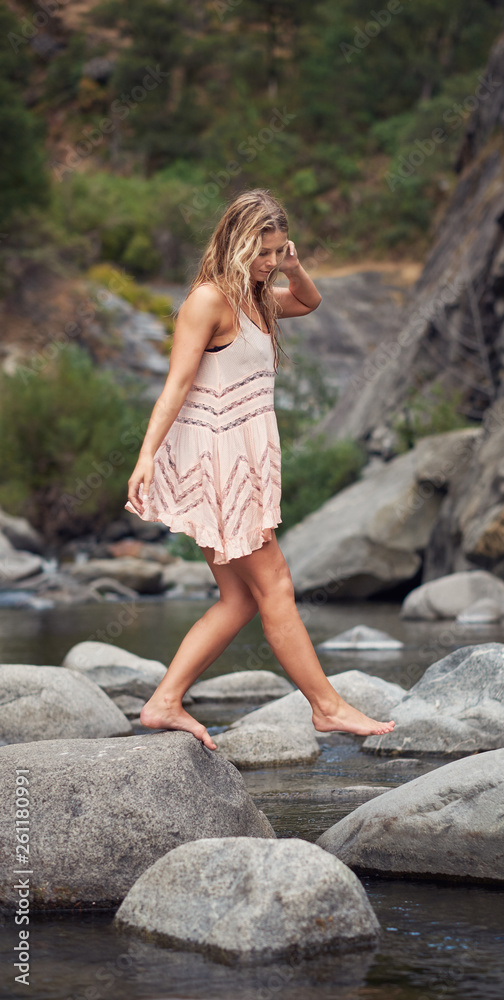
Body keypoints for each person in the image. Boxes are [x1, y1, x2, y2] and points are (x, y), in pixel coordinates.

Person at [125, 188, 396, 751]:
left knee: (241, 599)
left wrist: (294, 268)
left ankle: (163, 702)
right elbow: (175, 384)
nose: (271, 262)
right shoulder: (208, 301)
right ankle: (326, 707)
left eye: (277, 251)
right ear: (235, 241)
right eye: (263, 251)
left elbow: (310, 301)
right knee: (275, 584)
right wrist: (147, 455)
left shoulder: (259, 297)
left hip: (246, 458)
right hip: (216, 459)